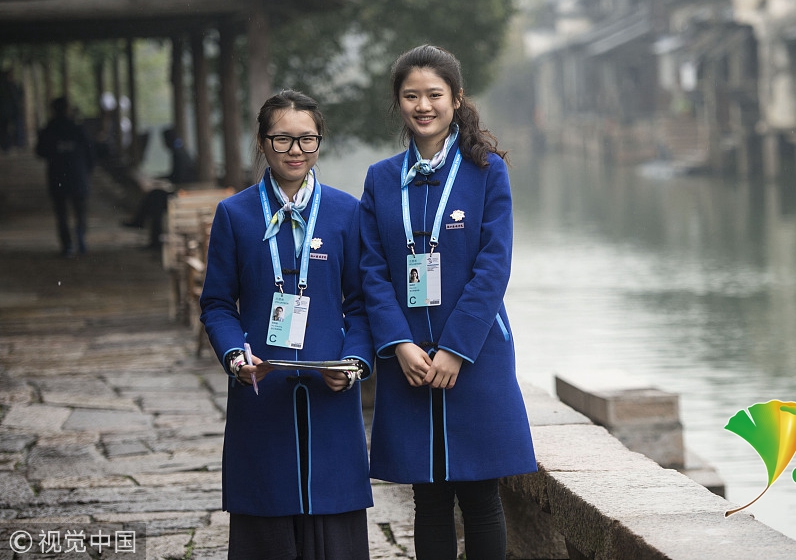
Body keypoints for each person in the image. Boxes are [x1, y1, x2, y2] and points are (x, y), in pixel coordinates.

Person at [359, 45, 537, 559]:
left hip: (476, 354)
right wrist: (399, 344)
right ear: (398, 102)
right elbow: (372, 271)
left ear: (456, 99)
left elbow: (493, 267)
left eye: (434, 94)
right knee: (429, 498)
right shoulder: (381, 178)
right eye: (411, 95)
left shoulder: (487, 171)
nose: (423, 106)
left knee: (481, 496)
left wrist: (456, 348)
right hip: (409, 358)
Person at [200, 90, 374, 560]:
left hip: (330, 397)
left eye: (306, 139)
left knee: (334, 532)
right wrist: (235, 357)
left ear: (319, 141)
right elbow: (217, 304)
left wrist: (354, 363)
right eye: (282, 139)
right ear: (262, 142)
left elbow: (362, 305)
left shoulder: (347, 212)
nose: (295, 150)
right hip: (262, 395)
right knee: (266, 525)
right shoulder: (235, 214)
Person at [35, 97, 94, 256]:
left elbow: (40, 152)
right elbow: (90, 152)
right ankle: (81, 236)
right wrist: (87, 170)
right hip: (78, 175)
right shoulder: (78, 129)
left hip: (57, 175)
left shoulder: (49, 129)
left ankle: (67, 245)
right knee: (80, 210)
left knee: (61, 213)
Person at [122, 126, 198, 248]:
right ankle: (141, 223)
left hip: (183, 194)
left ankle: (146, 230)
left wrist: (159, 179)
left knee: (155, 199)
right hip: (183, 191)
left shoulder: (177, 154)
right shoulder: (180, 151)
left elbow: (176, 177)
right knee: (154, 195)